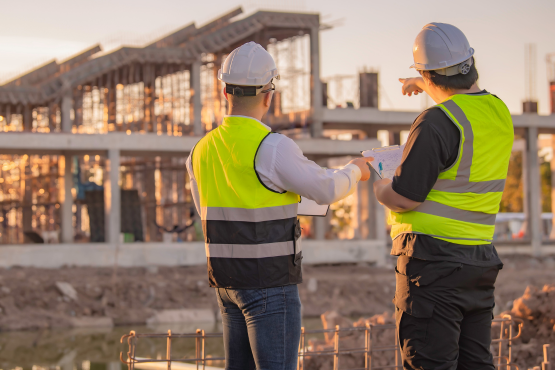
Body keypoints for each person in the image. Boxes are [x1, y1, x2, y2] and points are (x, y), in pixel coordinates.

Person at [185, 41, 373, 370]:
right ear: (269, 96)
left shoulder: (200, 150)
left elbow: (212, 211)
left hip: (226, 284)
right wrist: (357, 169)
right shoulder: (273, 147)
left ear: (225, 92)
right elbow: (326, 189)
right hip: (269, 285)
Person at [373, 23, 513, 370]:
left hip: (432, 264)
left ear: (427, 74)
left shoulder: (436, 122)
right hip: (478, 262)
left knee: (429, 363)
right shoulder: (499, 113)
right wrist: (422, 81)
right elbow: (462, 95)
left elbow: (405, 197)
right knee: (475, 364)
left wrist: (378, 182)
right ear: (471, 63)